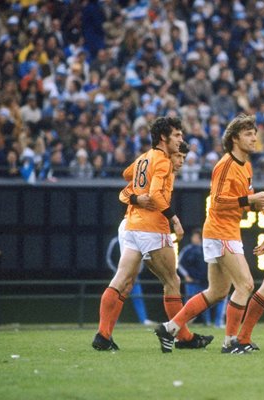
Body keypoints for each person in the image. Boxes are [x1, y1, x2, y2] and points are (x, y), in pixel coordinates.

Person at [155, 114, 264, 354]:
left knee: (218, 291)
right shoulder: (225, 165)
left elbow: (241, 203)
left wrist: (261, 204)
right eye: (248, 134)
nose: (254, 138)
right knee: (246, 284)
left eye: (254, 133)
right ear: (234, 139)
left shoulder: (246, 165)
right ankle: (231, 342)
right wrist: (250, 199)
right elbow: (218, 201)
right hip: (221, 232)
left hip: (226, 231)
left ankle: (169, 328)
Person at [92, 118, 212, 351]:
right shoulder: (163, 161)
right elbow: (156, 194)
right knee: (172, 281)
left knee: (122, 280)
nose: (181, 139)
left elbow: (129, 175)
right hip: (151, 227)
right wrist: (174, 218)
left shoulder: (144, 158)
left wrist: (136, 196)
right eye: (177, 135)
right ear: (163, 138)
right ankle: (183, 337)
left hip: (132, 225)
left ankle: (103, 335)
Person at [177, 228, 227, 328]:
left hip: (207, 281)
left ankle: (218, 322)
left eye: (195, 236)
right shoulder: (188, 249)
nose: (193, 238)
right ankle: (182, 322)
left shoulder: (208, 248)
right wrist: (186, 276)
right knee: (192, 302)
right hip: (193, 282)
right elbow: (179, 263)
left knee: (212, 300)